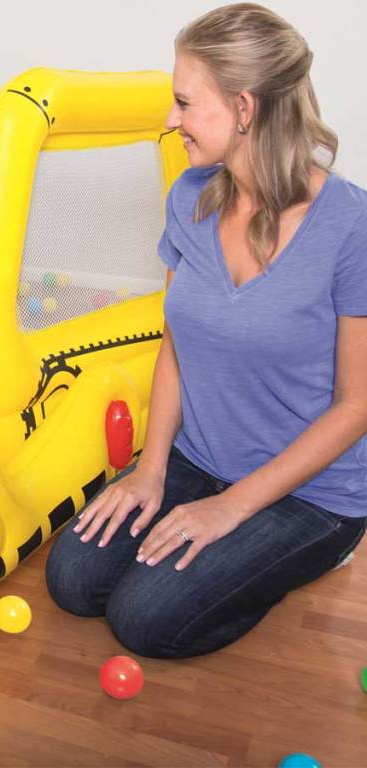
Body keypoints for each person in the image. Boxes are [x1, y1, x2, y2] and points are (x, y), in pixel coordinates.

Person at [45, 3, 367, 658]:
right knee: (73, 580)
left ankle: (293, 557)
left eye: (185, 103)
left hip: (312, 491)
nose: (171, 119)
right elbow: (176, 345)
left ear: (244, 109)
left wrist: (234, 508)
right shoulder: (190, 198)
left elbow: (357, 406)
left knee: (145, 619)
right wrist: (151, 471)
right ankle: (212, 540)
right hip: (200, 457)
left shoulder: (351, 224)